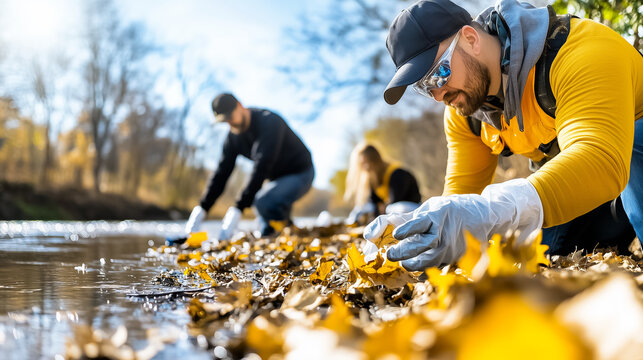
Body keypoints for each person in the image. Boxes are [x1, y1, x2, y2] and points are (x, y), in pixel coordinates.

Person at [364, 0, 643, 271]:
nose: (438, 95)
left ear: (471, 39)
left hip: (624, 158)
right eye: (424, 87)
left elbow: (601, 160)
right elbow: (462, 201)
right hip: (589, 184)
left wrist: (496, 209)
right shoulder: (465, 111)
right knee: (538, 253)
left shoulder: (582, 52)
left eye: (438, 75)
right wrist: (425, 233)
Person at [185, 93, 314, 240]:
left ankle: (274, 234)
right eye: (224, 121)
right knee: (268, 220)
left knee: (263, 202)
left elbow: (262, 166)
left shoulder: (269, 122)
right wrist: (202, 208)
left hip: (301, 173)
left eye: (230, 117)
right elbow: (222, 173)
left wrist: (238, 208)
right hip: (276, 181)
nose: (229, 123)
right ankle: (284, 232)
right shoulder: (232, 138)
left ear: (240, 106)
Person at [344, 143, 421, 225]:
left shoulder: (397, 173)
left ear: (376, 160)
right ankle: (352, 223)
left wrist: (382, 208)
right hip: (394, 211)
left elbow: (395, 202)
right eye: (362, 164)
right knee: (362, 208)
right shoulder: (373, 180)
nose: (366, 167)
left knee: (393, 208)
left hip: (411, 210)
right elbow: (374, 203)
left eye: (368, 162)